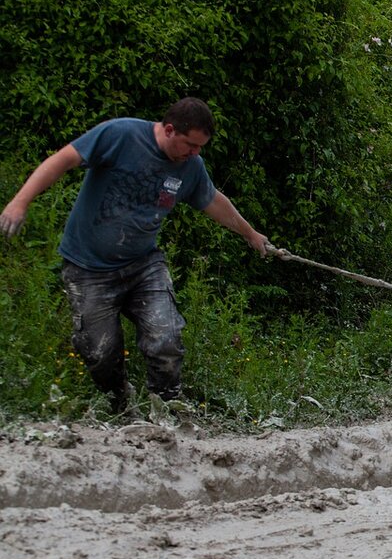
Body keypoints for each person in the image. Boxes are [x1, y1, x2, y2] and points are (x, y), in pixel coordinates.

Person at [0, 97, 269, 414]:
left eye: (200, 147)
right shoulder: (119, 135)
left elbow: (213, 201)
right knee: (101, 353)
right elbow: (61, 160)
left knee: (166, 339)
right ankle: (121, 407)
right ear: (169, 129)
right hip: (88, 269)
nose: (195, 153)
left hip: (143, 266)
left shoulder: (190, 167)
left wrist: (251, 234)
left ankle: (167, 409)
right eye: (190, 145)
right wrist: (20, 202)